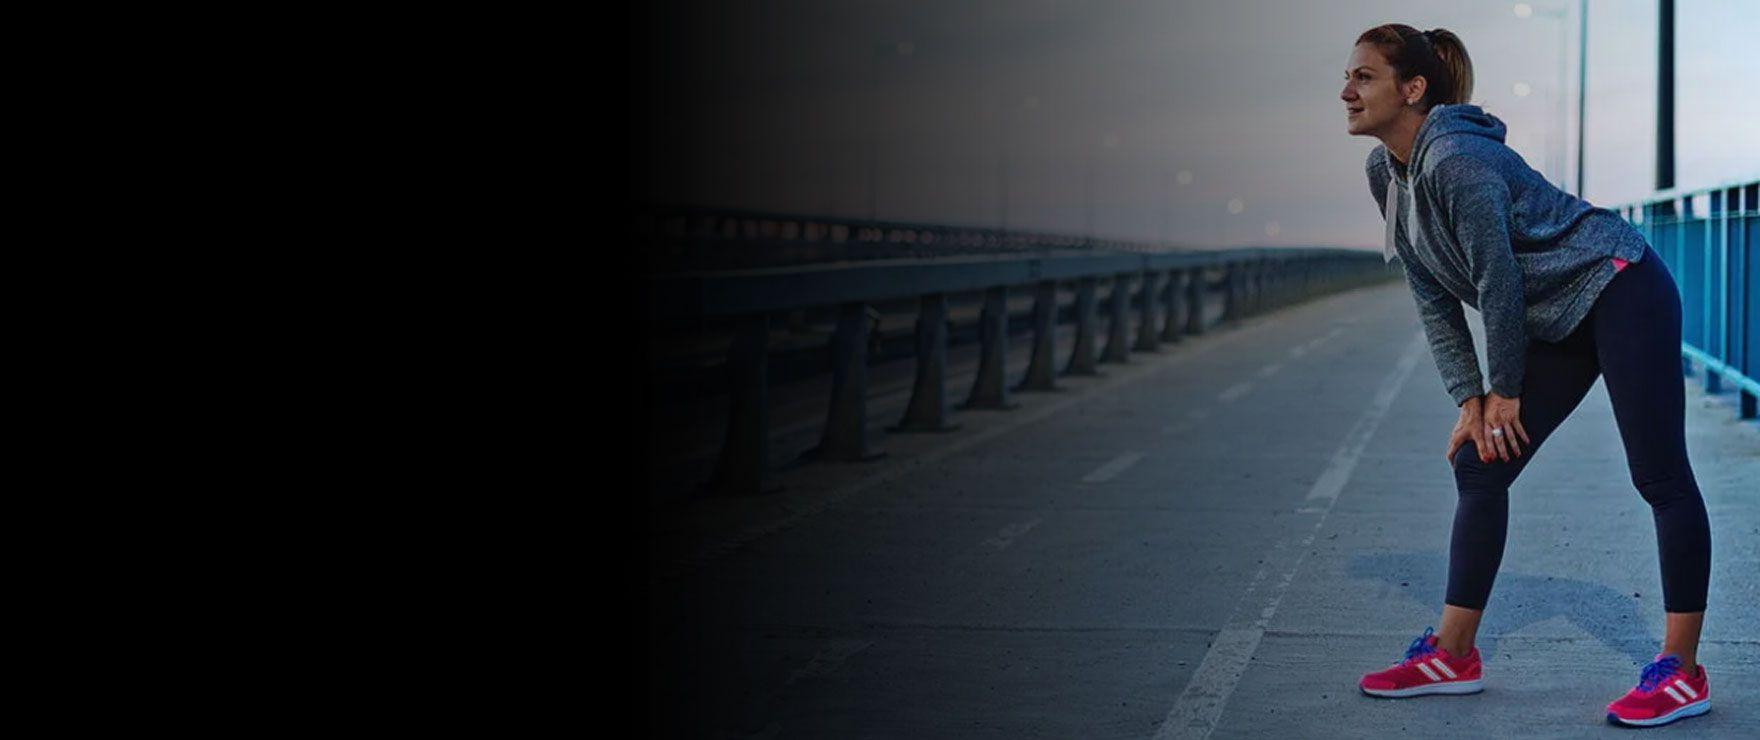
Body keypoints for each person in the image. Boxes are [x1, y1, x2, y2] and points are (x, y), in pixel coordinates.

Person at [1340, 24, 1714, 727]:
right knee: (1481, 466)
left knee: (1659, 475)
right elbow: (1430, 290)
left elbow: (1498, 280)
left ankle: (1684, 673)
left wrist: (1505, 391)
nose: (1346, 90)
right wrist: (1470, 400)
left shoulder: (1455, 160)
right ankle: (1453, 656)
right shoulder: (1384, 174)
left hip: (1619, 284)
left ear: (1412, 89)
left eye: (1364, 77)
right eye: (1349, 77)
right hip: (1559, 314)